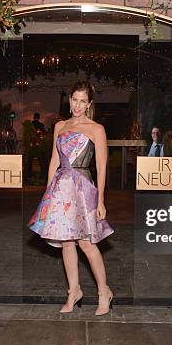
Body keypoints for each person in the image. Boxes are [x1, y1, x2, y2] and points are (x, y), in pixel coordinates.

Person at [27, 83, 114, 316]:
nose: (77, 105)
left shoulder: (96, 129)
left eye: (82, 101)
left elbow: (102, 166)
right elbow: (54, 161)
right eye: (74, 100)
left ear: (89, 104)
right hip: (60, 188)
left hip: (83, 188)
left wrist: (101, 200)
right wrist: (47, 194)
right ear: (70, 100)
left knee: (87, 243)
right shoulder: (60, 126)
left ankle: (104, 292)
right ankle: (73, 291)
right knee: (66, 242)